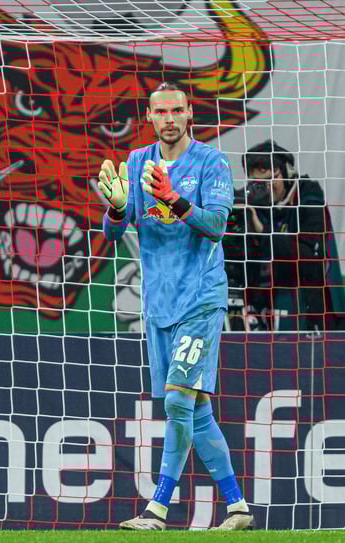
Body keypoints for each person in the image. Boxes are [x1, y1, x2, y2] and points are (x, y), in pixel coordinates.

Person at [98, 82, 254, 531]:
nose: (169, 118)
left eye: (177, 110)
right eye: (160, 111)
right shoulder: (136, 162)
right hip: (158, 306)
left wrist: (175, 200)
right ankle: (238, 507)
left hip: (201, 300)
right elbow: (113, 234)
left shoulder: (211, 162)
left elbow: (217, 225)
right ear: (149, 117)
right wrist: (116, 208)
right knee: (193, 410)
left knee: (177, 404)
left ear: (190, 114)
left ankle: (157, 509)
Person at [241, 140, 345, 331]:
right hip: (268, 312)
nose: (266, 188)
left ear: (287, 172)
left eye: (270, 180)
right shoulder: (254, 205)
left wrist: (263, 233)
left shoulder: (309, 198)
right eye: (258, 183)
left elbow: (309, 258)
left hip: (314, 313)